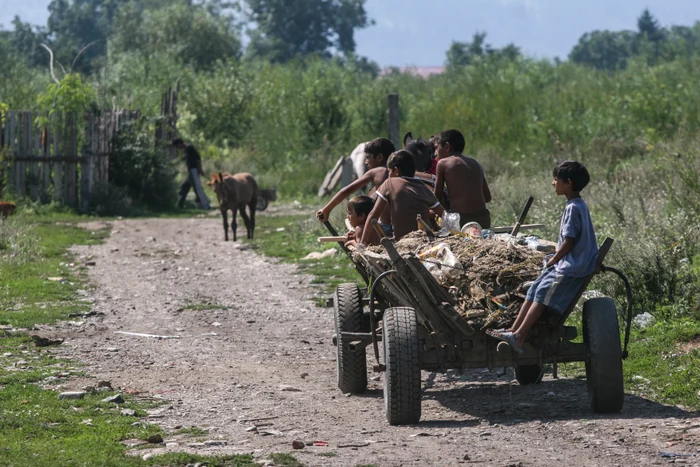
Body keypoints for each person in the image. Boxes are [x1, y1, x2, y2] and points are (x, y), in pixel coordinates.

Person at [488, 161, 598, 353]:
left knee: (541, 294)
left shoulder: (573, 208)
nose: (553, 183)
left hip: (572, 266)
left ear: (568, 183)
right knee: (534, 290)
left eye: (556, 180)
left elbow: (569, 241)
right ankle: (513, 330)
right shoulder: (578, 204)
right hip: (568, 263)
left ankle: (520, 337)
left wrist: (554, 258)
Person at [360, 150, 445, 244]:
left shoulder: (389, 183)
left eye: (389, 171)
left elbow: (373, 214)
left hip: (403, 242)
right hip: (426, 241)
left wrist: (362, 243)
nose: (388, 175)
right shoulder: (422, 187)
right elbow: (443, 214)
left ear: (396, 171)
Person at [317, 137, 395, 236]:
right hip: (398, 227)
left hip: (385, 228)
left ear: (379, 157)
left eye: (368, 157)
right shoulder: (397, 173)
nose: (366, 162)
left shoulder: (378, 172)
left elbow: (345, 191)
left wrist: (326, 210)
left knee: (354, 225)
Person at [433, 129, 491, 228]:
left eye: (436, 148)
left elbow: (436, 198)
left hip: (461, 222)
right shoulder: (475, 163)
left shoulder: (442, 164)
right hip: (484, 220)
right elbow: (487, 198)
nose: (435, 153)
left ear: (447, 146)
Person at [173, 138, 204, 209]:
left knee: (197, 188)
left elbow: (198, 158)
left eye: (177, 146)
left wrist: (200, 168)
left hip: (194, 170)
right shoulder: (186, 149)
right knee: (184, 187)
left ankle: (204, 205)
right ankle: (180, 205)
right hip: (191, 171)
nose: (177, 148)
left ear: (179, 144)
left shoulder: (189, 147)